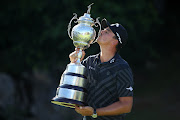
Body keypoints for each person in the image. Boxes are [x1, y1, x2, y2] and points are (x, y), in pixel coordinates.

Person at [69, 18, 134, 120]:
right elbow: (72, 88)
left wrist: (95, 112)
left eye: (107, 31)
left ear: (115, 42)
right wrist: (74, 63)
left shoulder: (122, 68)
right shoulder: (89, 61)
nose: (101, 31)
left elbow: (126, 105)